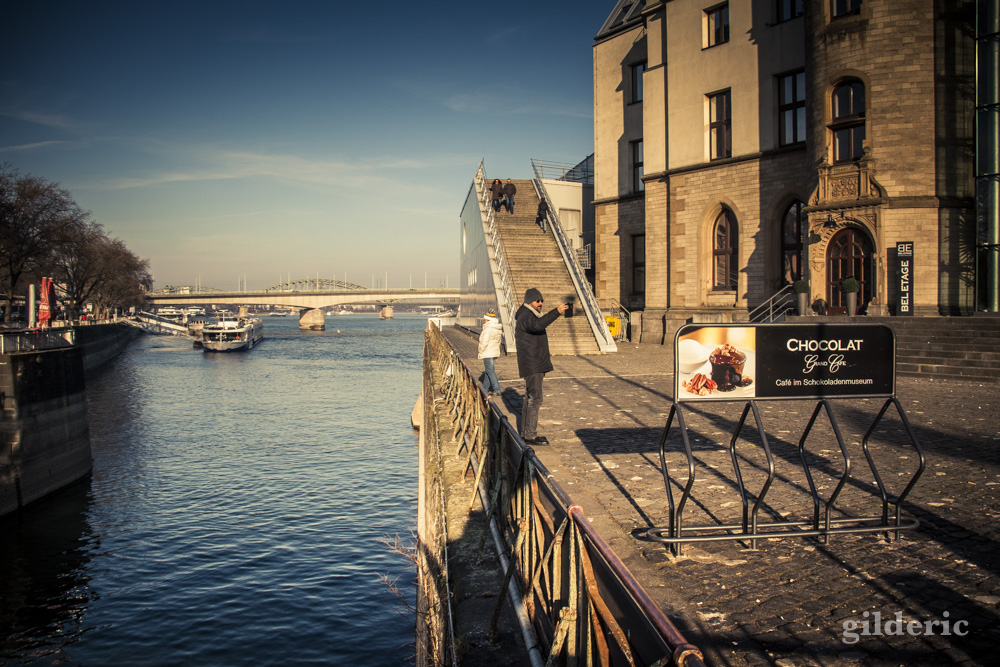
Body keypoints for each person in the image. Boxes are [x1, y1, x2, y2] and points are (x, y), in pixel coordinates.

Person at [514, 288, 569, 445]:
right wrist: (556, 312)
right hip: (532, 364)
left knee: (530, 398)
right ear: (530, 301)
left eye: (542, 300)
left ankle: (526, 432)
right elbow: (537, 326)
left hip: (532, 363)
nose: (540, 303)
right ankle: (530, 435)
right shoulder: (526, 316)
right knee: (535, 399)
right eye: (538, 300)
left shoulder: (527, 315)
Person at [478, 309, 503, 396]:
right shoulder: (497, 328)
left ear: (488, 320)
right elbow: (499, 341)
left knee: (490, 371)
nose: (484, 321)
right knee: (489, 371)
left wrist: (481, 350)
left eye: (485, 319)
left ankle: (497, 389)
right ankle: (485, 389)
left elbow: (484, 341)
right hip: (494, 352)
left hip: (488, 352)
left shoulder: (488, 329)